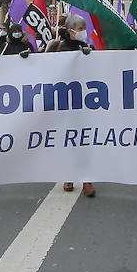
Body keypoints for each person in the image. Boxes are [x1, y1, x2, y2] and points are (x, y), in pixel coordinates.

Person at [45, 15, 97, 198]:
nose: (84, 31)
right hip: (62, 102)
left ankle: (87, 180)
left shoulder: (89, 48)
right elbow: (41, 68)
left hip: (83, 102)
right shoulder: (56, 47)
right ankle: (68, 175)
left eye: (85, 28)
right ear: (70, 30)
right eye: (80, 28)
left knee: (85, 140)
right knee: (65, 140)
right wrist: (26, 60)